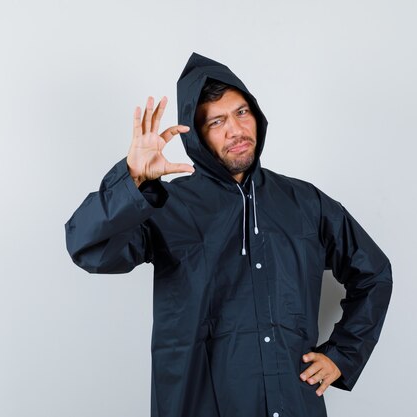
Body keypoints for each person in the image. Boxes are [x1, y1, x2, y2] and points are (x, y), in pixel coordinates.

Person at [65, 52, 393, 417]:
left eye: (241, 112)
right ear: (198, 136)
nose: (235, 130)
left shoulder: (304, 203)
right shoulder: (166, 205)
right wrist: (132, 180)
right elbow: (88, 249)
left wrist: (342, 355)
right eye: (217, 121)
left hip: (293, 404)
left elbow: (373, 272)